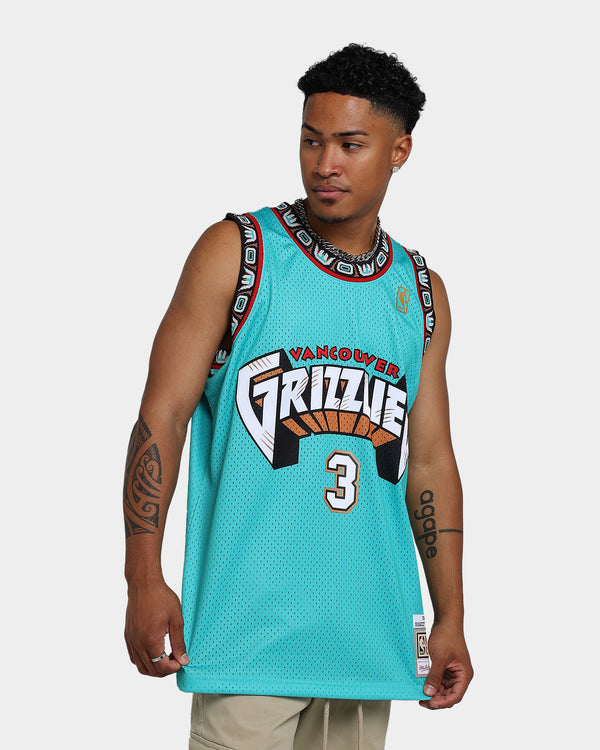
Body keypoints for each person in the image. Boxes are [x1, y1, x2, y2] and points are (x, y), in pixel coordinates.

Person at [123, 43, 473, 750]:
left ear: (399, 151)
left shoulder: (422, 293)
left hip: (371, 640)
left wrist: (451, 617)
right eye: (312, 140)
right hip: (247, 634)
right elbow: (161, 417)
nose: (325, 164)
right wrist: (142, 578)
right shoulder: (238, 252)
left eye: (350, 144)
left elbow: (430, 461)